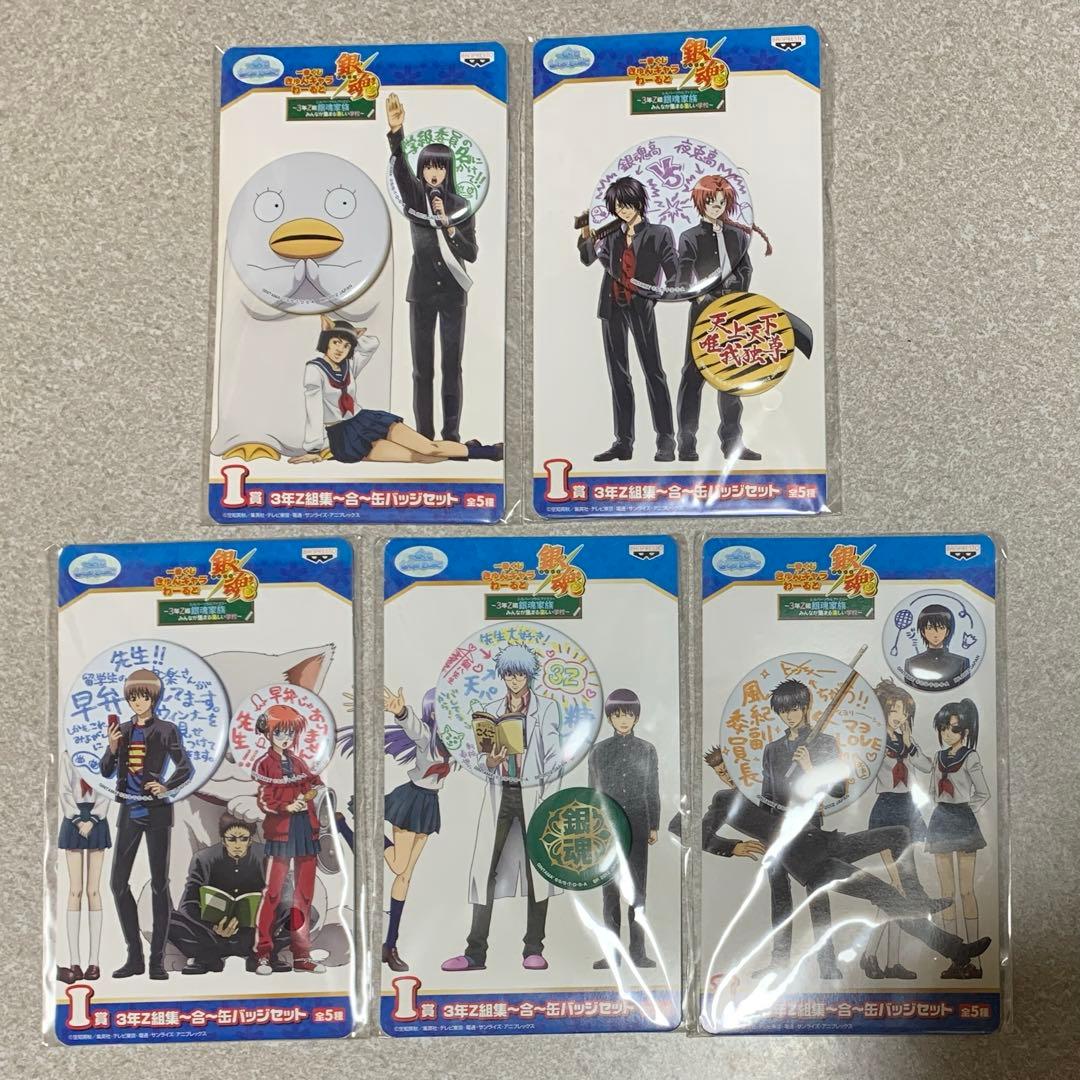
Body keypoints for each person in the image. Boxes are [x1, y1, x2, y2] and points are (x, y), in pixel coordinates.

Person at [691, 747, 991, 974]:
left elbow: (825, 790)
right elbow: (687, 831)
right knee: (883, 893)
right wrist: (732, 847)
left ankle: (917, 898)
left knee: (899, 833)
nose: (726, 775)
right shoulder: (724, 801)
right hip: (812, 864)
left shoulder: (768, 783)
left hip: (830, 842)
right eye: (720, 772)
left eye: (728, 766)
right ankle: (956, 950)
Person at [442, 645, 562, 972]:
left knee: (540, 869)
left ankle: (533, 948)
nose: (514, 680)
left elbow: (554, 757)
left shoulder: (547, 708)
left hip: (533, 793)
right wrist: (491, 762)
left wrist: (548, 798)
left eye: (519, 674)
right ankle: (474, 953)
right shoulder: (493, 710)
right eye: (509, 674)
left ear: (529, 675)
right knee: (486, 870)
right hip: (502, 792)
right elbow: (484, 760)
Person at [386, 91, 477, 442]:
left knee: (452, 367)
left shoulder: (462, 205)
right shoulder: (414, 196)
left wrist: (449, 226)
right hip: (421, 292)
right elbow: (400, 170)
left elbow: (472, 253)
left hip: (453, 292)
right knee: (421, 369)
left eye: (439, 166)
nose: (433, 173)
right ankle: (424, 435)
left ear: (447, 170)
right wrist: (397, 133)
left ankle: (451, 435)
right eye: (428, 166)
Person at [289, 316, 501, 466]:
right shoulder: (314, 370)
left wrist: (351, 335)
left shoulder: (349, 365)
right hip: (344, 436)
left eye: (346, 346)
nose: (340, 349)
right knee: (420, 458)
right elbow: (313, 409)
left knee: (430, 447)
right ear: (326, 342)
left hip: (365, 420)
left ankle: (492, 452)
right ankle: (469, 448)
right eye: (335, 342)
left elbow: (371, 344)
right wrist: (314, 449)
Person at [100, 668, 193, 980]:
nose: (137, 703)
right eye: (132, 698)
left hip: (156, 812)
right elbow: (105, 770)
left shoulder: (166, 729)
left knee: (159, 884)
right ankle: (134, 957)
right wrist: (112, 747)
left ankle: (156, 961)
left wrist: (166, 786)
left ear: (154, 698)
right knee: (117, 883)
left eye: (143, 697)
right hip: (129, 810)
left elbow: (185, 767)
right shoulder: (123, 730)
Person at [578, 176, 678, 462]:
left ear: (639, 202)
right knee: (618, 375)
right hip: (611, 307)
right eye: (618, 206)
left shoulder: (659, 233)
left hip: (641, 306)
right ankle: (623, 442)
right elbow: (587, 258)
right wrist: (585, 231)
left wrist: (661, 293)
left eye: (627, 204)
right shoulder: (611, 234)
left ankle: (666, 440)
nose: (623, 210)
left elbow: (673, 270)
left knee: (653, 372)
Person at [675, 174, 772, 462]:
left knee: (731, 375)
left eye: (720, 202)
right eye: (710, 202)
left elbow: (746, 269)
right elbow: (683, 278)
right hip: (704, 312)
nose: (716, 207)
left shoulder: (738, 235)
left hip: (733, 311)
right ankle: (687, 442)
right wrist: (700, 297)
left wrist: (737, 296)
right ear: (700, 202)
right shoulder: (690, 236)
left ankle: (732, 442)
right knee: (693, 375)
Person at [757, 678, 848, 980]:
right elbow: (766, 794)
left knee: (817, 893)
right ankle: (778, 962)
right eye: (784, 711)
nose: (789, 715)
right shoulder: (772, 749)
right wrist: (763, 832)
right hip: (776, 826)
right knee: (779, 895)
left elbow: (839, 790)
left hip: (808, 825)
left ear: (806, 706)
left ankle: (827, 963)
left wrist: (810, 767)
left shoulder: (824, 742)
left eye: (795, 708)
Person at [860, 678, 934, 980]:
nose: (899, 716)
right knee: (897, 888)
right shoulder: (876, 742)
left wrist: (909, 742)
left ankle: (891, 962)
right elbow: (863, 770)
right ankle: (870, 955)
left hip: (908, 810)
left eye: (903, 711)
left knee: (900, 891)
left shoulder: (907, 743)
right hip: (886, 811)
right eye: (894, 710)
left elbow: (927, 767)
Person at [587, 689, 660, 969]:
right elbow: (592, 791)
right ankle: (613, 953)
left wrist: (654, 824)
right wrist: (593, 826)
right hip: (607, 826)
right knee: (610, 891)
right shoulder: (599, 751)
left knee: (638, 891)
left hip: (639, 823)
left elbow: (652, 789)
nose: (623, 720)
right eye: (617, 715)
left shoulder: (647, 749)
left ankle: (638, 952)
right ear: (609, 718)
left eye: (628, 714)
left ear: (637, 717)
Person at [381, 686, 452, 972]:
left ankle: (390, 945)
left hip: (430, 804)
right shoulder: (427, 736)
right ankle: (356, 833)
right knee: (399, 867)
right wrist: (400, 711)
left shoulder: (456, 743)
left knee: (405, 877)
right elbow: (413, 727)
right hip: (411, 800)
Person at [251, 705, 325, 975]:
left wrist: (312, 789)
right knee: (273, 893)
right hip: (281, 830)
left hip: (305, 829)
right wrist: (287, 806)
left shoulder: (297, 761)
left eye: (290, 733)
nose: (286, 738)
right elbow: (265, 799)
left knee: (303, 894)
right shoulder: (264, 763)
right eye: (280, 732)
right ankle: (262, 953)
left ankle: (302, 955)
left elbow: (313, 781)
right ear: (268, 733)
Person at [168, 814, 291, 974]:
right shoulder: (203, 859)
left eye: (243, 839)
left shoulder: (268, 856)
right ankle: (206, 957)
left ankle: (263, 955)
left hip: (257, 934)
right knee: (167, 920)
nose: (238, 845)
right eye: (232, 839)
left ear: (250, 840)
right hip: (212, 936)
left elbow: (286, 897)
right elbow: (187, 904)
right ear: (223, 840)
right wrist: (213, 927)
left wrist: (262, 919)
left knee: (302, 915)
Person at [927, 699, 990, 979]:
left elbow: (983, 792)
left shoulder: (971, 757)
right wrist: (945, 808)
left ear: (965, 731)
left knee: (966, 890)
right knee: (946, 894)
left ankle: (976, 962)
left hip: (963, 822)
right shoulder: (938, 757)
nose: (947, 733)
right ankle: (956, 958)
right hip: (941, 820)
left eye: (953, 728)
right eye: (943, 728)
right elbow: (932, 791)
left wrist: (965, 810)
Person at [56, 751, 111, 983]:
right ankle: (75, 961)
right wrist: (78, 819)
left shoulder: (107, 755)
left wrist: (95, 818)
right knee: (75, 891)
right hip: (73, 818)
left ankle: (94, 962)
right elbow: (63, 789)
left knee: (93, 891)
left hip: (97, 819)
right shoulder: (68, 755)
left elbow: (107, 787)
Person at [903, 604, 971, 690]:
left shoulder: (961, 663)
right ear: (923, 632)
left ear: (947, 631)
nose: (935, 633)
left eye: (941, 628)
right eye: (930, 628)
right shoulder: (911, 663)